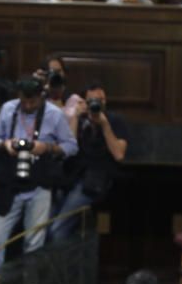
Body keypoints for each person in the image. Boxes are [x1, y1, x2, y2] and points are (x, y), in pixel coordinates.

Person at [0, 77, 78, 268]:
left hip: (40, 184)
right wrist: (5, 145)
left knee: (34, 244)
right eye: (24, 101)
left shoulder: (54, 114)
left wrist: (46, 147)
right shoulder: (8, 109)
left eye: (33, 101)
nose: (28, 105)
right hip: (9, 184)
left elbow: (71, 146)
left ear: (41, 97)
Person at [50, 83, 128, 241]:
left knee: (57, 229)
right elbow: (68, 149)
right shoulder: (78, 119)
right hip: (69, 177)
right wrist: (75, 119)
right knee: (45, 227)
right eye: (92, 101)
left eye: (101, 100)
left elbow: (119, 154)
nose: (97, 104)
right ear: (83, 102)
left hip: (94, 181)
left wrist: (104, 125)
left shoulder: (114, 120)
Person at [35, 55, 83, 132]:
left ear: (64, 72)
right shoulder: (38, 98)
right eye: (52, 72)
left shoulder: (74, 100)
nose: (56, 75)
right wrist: (36, 84)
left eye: (58, 71)